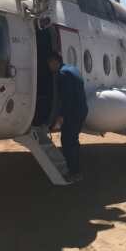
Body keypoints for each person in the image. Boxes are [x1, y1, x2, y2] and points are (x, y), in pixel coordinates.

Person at [47, 51, 88, 182]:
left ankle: (74, 172)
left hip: (72, 114)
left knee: (68, 143)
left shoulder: (63, 74)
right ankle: (76, 169)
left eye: (50, 64)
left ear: (55, 62)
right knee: (73, 141)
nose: (49, 67)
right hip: (81, 111)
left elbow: (67, 99)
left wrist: (61, 117)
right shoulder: (72, 69)